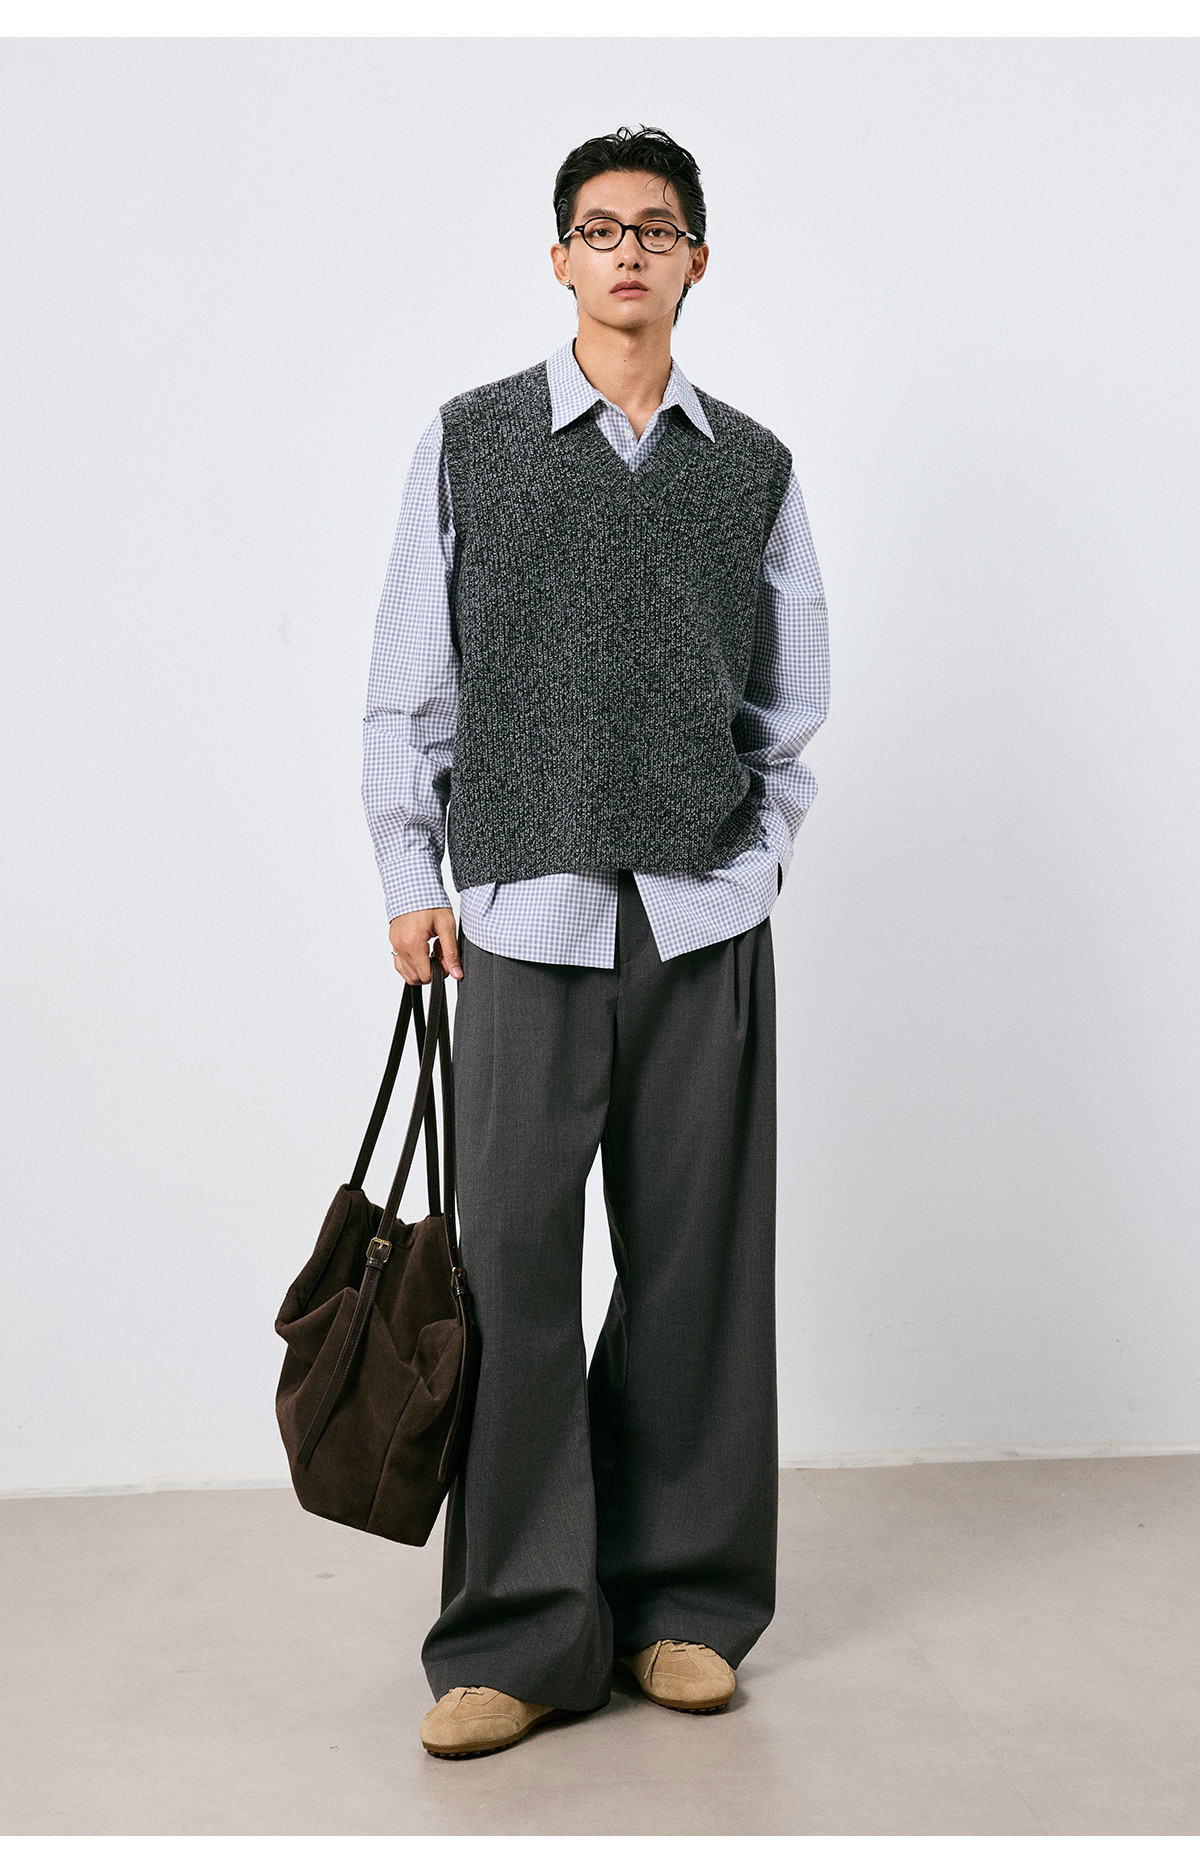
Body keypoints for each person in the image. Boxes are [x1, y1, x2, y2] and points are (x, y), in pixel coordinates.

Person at [361, 124, 830, 1759]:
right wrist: (410, 870)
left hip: (700, 917)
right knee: (513, 1277)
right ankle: (514, 1632)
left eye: (657, 228)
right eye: (601, 228)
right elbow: (412, 681)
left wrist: (756, 860)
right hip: (520, 915)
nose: (629, 251)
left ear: (698, 259)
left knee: (700, 1267)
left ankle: (684, 1603)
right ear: (559, 258)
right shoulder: (473, 441)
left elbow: (788, 700)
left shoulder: (752, 465)